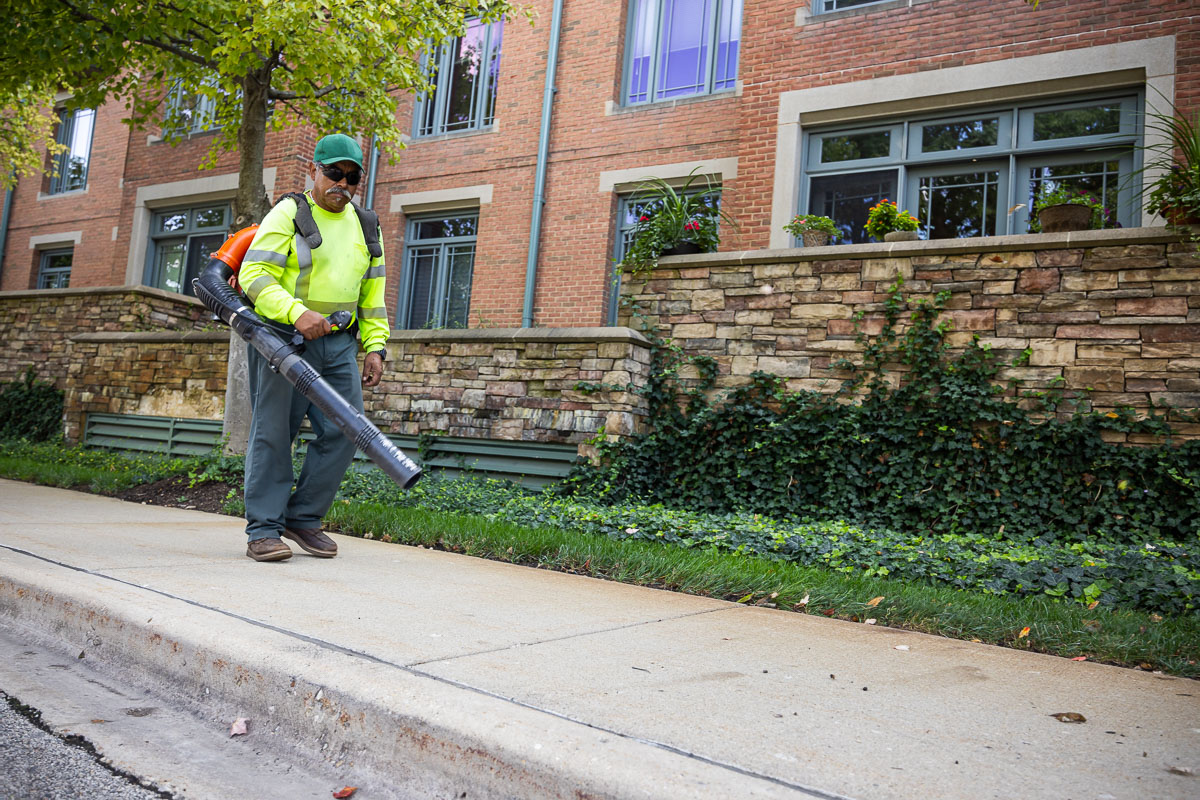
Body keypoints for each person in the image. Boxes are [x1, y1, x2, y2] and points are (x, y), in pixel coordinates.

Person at [237, 133, 389, 562]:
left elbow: (372, 296)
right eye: (333, 173)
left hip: (339, 345)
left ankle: (303, 518)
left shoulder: (367, 224)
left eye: (351, 176)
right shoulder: (288, 213)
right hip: (283, 341)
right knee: (273, 433)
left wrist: (375, 347)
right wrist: (294, 312)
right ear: (314, 171)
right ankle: (263, 530)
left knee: (346, 430)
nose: (342, 183)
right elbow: (255, 274)